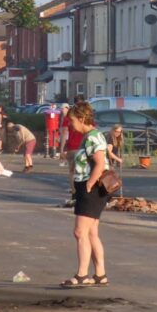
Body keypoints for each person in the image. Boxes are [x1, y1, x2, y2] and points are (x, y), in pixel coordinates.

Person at [61, 102, 110, 288]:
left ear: (82, 119)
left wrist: (88, 184)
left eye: (72, 121)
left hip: (91, 190)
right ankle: (100, 275)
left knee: (80, 232)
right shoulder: (91, 136)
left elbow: (99, 163)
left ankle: (82, 275)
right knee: (91, 234)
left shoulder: (92, 137)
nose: (71, 125)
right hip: (93, 189)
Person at [60, 95, 87, 196]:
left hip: (72, 147)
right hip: (84, 147)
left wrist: (62, 149)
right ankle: (82, 192)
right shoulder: (87, 116)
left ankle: (74, 192)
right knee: (83, 170)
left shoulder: (69, 116)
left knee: (72, 171)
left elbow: (64, 133)